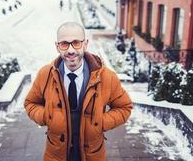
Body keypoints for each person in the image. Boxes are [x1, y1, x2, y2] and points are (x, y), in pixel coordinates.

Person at [24, 22, 133, 161]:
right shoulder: (45, 74)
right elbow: (30, 103)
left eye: (76, 43)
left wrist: (101, 122)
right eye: (64, 44)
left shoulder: (106, 77)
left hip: (92, 155)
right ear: (57, 46)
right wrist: (46, 117)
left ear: (85, 44)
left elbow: (124, 107)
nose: (70, 50)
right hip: (56, 154)